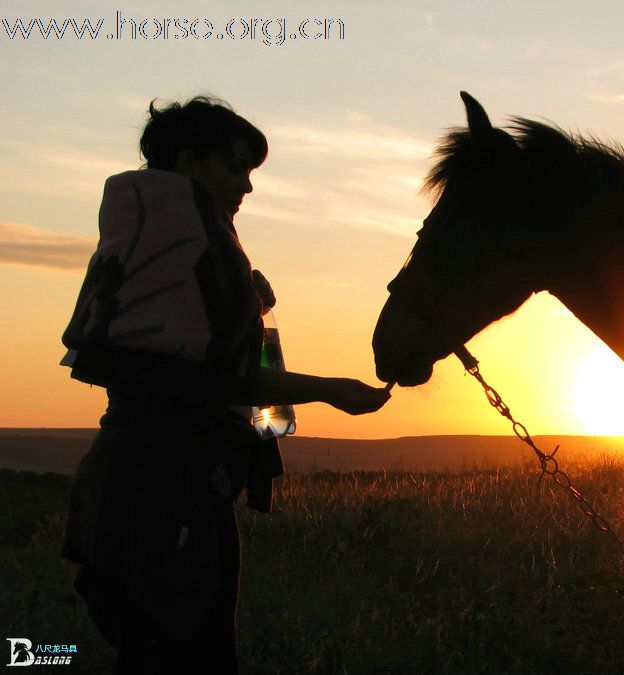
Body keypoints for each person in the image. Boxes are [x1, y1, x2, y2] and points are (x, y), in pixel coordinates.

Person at [60, 96, 391, 674]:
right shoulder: (198, 255)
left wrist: (247, 300)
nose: (247, 187)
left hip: (118, 482)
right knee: (188, 652)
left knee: (147, 648)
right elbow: (226, 379)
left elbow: (163, 357)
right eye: (235, 168)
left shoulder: (140, 240)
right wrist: (334, 388)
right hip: (172, 490)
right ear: (190, 163)